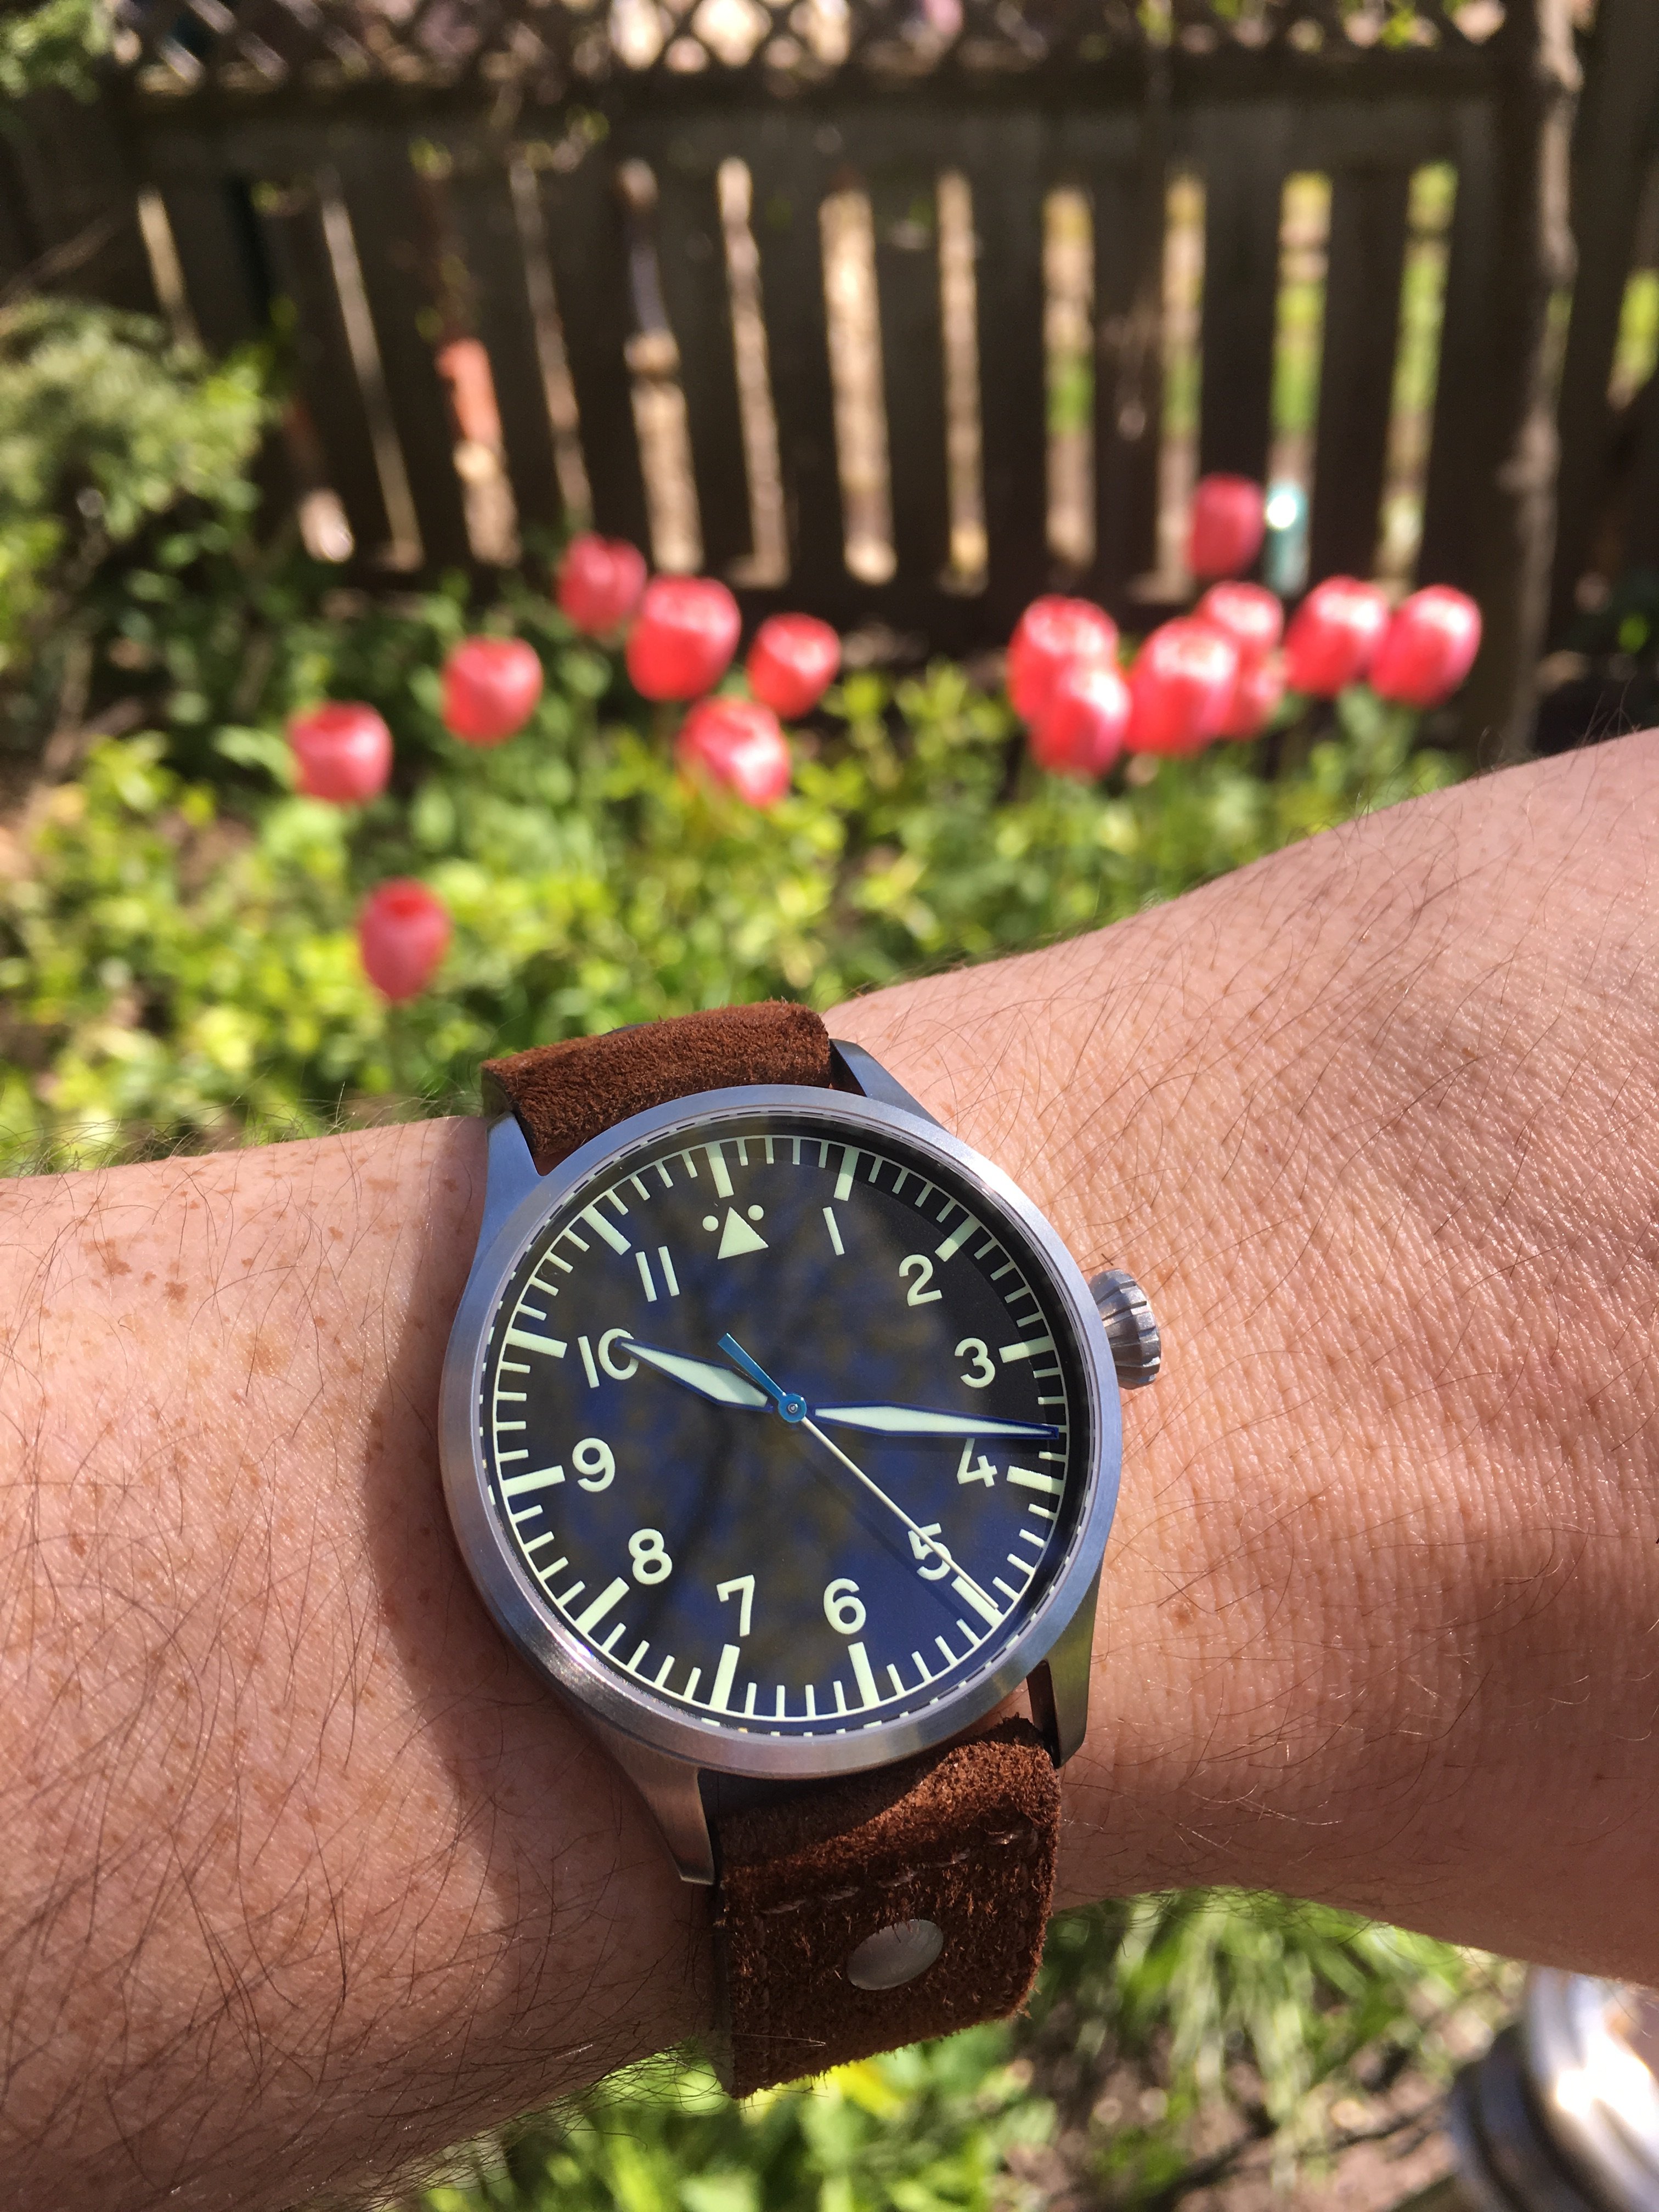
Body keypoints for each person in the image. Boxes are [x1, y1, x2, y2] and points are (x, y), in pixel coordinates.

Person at [4, 732, 1657, 2211]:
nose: (795, 1419)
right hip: (706, 1671)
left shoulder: (1035, 1611)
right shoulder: (690, 1679)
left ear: (1101, 1332)